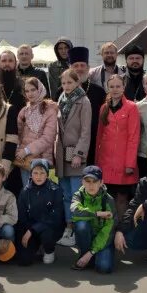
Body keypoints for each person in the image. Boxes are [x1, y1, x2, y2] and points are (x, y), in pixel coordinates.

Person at [54, 68, 92, 247]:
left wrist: (79, 154)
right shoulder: (61, 100)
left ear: (77, 83)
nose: (66, 86)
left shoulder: (84, 101)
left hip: (75, 155)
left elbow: (86, 131)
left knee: (77, 195)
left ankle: (79, 230)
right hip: (61, 154)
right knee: (66, 194)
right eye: (63, 83)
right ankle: (68, 228)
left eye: (70, 82)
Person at [95, 73, 141, 219]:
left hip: (123, 163)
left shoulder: (131, 107)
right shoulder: (104, 108)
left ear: (123, 87)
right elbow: (99, 138)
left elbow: (134, 137)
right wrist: (97, 164)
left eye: (118, 86)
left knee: (121, 200)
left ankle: (122, 232)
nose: (115, 89)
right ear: (107, 88)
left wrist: (130, 164)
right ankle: (109, 234)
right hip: (106, 162)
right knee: (107, 200)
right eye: (112, 86)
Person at [15, 159, 65, 266]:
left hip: (50, 228)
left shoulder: (56, 190)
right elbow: (22, 216)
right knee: (24, 260)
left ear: (47, 174)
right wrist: (28, 231)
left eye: (42, 173)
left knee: (47, 234)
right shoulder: (24, 191)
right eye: (35, 173)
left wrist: (32, 230)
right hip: (30, 229)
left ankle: (49, 250)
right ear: (31, 174)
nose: (39, 176)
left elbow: (55, 217)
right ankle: (37, 246)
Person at [69, 165, 117, 273]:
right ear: (82, 182)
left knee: (104, 268)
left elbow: (108, 230)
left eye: (94, 181)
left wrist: (92, 251)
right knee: (81, 225)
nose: (91, 185)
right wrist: (98, 214)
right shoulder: (78, 195)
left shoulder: (109, 200)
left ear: (101, 182)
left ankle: (89, 255)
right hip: (87, 235)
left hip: (103, 238)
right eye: (87, 181)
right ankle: (84, 254)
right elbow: (75, 211)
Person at [15, 77, 59, 186]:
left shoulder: (50, 109)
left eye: (33, 90)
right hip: (25, 161)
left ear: (40, 89)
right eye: (27, 91)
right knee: (28, 192)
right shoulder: (24, 111)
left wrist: (26, 150)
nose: (30, 94)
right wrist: (18, 151)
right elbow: (18, 135)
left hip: (42, 160)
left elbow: (48, 138)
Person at [68, 47, 107, 164]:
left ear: (88, 68)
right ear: (70, 68)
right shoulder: (61, 92)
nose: (79, 69)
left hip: (93, 142)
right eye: (76, 66)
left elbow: (104, 118)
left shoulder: (99, 91)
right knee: (71, 176)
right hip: (69, 142)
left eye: (82, 65)